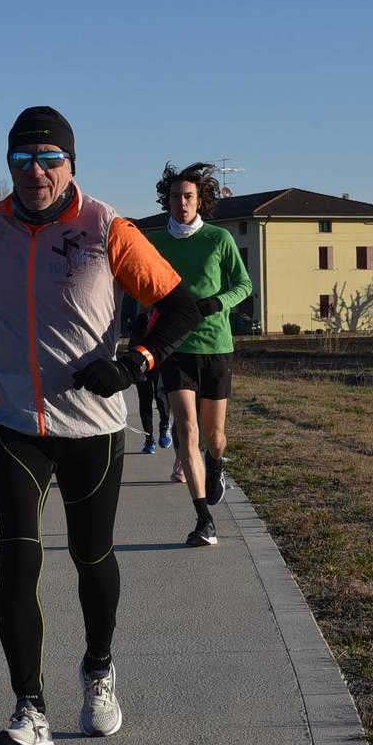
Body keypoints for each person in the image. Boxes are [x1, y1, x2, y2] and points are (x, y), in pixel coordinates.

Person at [0, 106, 201, 745]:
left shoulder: (105, 227)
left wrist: (135, 362)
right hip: (13, 421)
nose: (35, 171)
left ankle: (98, 667)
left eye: (49, 159)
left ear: (71, 164)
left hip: (91, 424)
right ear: (8, 165)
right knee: (18, 557)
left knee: (91, 556)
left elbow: (180, 306)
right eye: (22, 159)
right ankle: (29, 708)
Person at [145, 161, 253, 548]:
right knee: (187, 430)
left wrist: (217, 303)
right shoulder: (156, 242)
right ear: (168, 200)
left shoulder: (219, 239)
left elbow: (244, 285)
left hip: (216, 346)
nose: (182, 203)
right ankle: (204, 519)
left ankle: (216, 463)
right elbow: (144, 286)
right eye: (175, 196)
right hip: (176, 348)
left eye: (188, 196)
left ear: (201, 200)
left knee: (214, 436)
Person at [121, 296, 171, 454]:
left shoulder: (162, 301)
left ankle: (164, 427)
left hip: (159, 355)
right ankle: (149, 440)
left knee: (161, 395)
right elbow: (122, 320)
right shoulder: (132, 300)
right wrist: (136, 320)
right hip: (139, 355)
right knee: (145, 398)